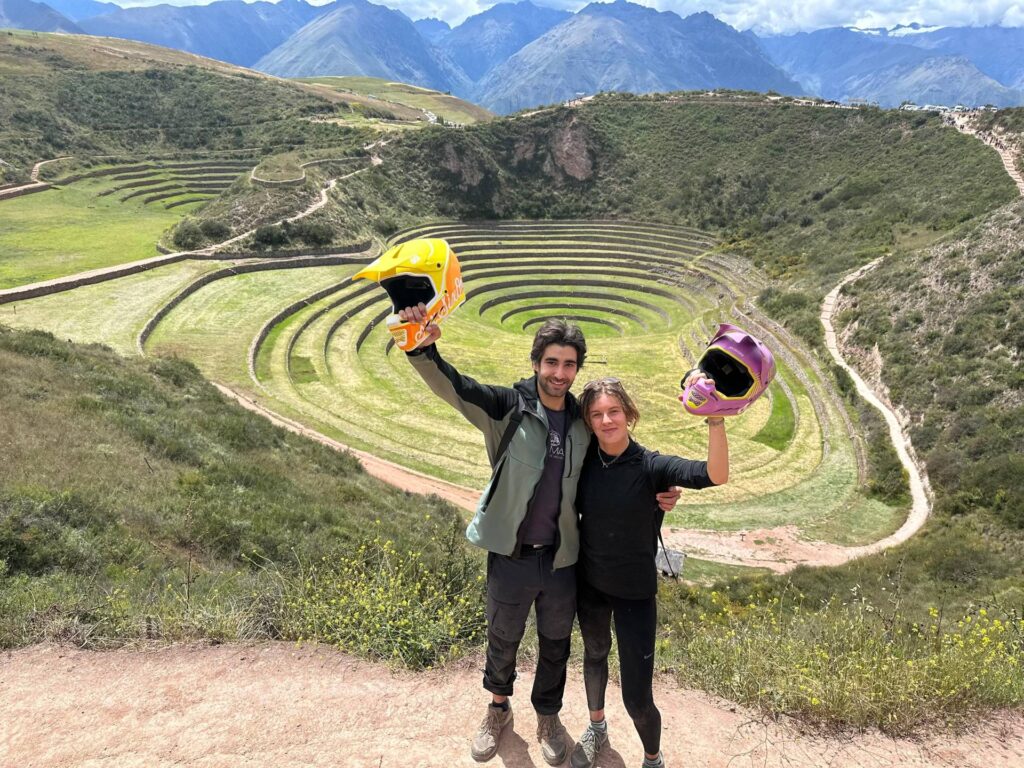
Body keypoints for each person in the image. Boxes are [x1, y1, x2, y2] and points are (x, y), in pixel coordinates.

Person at [398, 304, 680, 764]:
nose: (560, 372)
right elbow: (454, 387)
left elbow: (617, 464)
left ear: (577, 369)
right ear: (536, 363)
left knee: (555, 644)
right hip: (512, 555)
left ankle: (547, 716)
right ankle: (497, 710)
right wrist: (422, 346)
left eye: (569, 364)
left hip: (563, 560)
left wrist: (659, 490)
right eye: (552, 362)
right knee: (502, 637)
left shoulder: (582, 423)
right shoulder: (508, 409)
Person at [570, 375, 729, 768]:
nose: (607, 421)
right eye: (597, 415)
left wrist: (716, 419)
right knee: (594, 656)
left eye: (614, 411)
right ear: (588, 422)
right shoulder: (583, 461)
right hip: (589, 585)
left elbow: (714, 475)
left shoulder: (652, 467)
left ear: (629, 414)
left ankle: (653, 759)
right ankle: (597, 728)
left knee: (637, 699)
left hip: (635, 596)